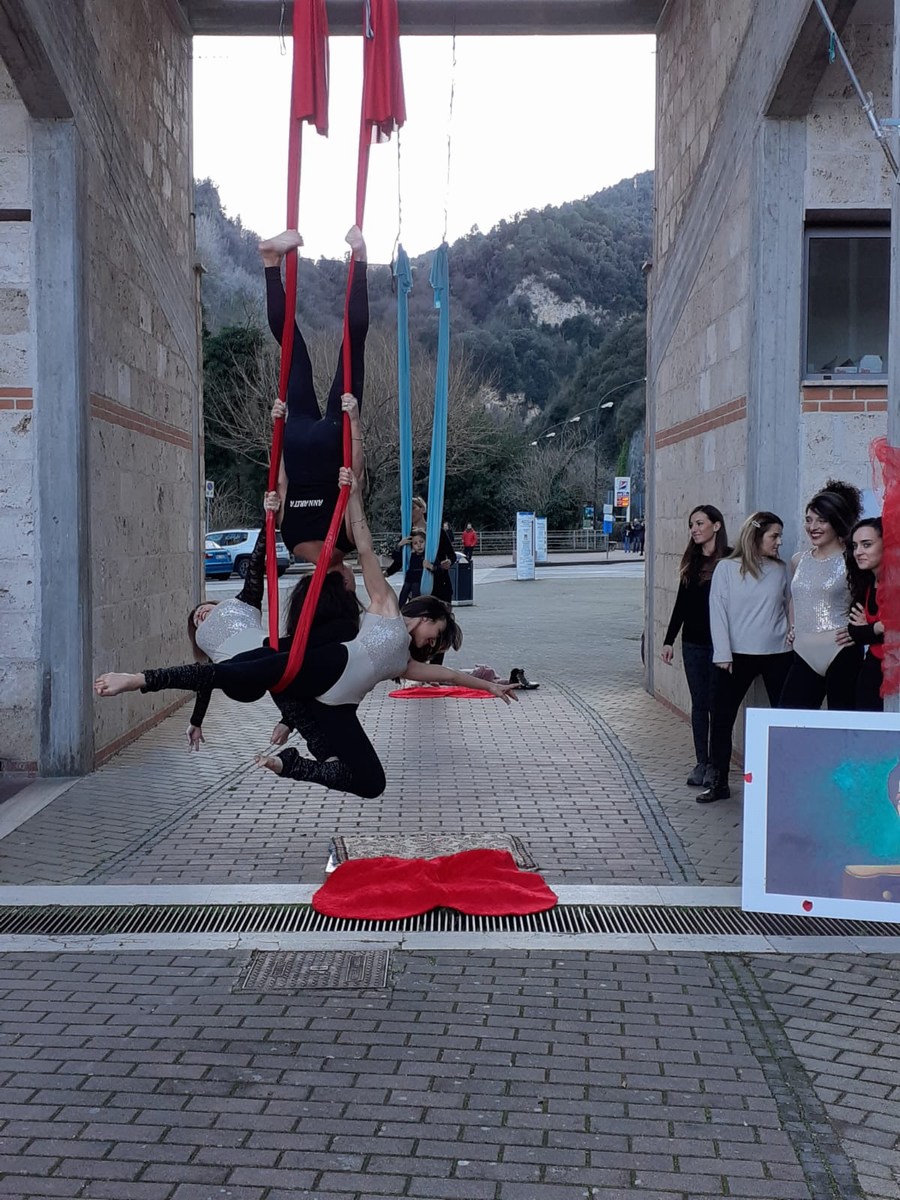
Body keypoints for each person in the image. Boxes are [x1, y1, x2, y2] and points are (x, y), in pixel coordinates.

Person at [94, 469, 518, 799]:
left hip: (334, 707)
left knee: (372, 782)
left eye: (437, 645)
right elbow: (366, 544)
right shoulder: (386, 606)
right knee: (235, 672)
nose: (432, 644)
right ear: (424, 613)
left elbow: (450, 678)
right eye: (436, 634)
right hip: (323, 665)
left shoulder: (404, 664)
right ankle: (139, 679)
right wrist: (351, 496)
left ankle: (294, 766)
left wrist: (489, 687)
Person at [260, 226, 368, 579]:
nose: (356, 577)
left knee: (353, 344)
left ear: (339, 580)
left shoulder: (348, 541)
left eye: (350, 583)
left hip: (333, 440)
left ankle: (360, 259)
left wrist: (354, 419)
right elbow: (280, 484)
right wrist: (279, 423)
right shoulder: (289, 538)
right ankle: (270, 262)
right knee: (293, 349)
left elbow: (356, 476)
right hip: (298, 441)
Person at [699, 511, 793, 803]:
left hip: (778, 654)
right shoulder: (727, 569)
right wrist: (722, 652)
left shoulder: (780, 570)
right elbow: (718, 612)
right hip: (734, 657)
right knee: (722, 720)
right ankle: (719, 782)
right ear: (755, 537)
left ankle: (787, 781)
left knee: (786, 717)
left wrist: (793, 630)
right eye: (774, 536)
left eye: (780, 536)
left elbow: (790, 604)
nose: (779, 542)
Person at [660, 505, 729, 788]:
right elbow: (681, 604)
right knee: (699, 705)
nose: (694, 529)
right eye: (691, 525)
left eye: (700, 523)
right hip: (693, 644)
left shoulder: (730, 559)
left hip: (722, 645)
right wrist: (668, 640)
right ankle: (702, 761)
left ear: (716, 525)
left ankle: (716, 765)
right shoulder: (691, 560)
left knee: (718, 705)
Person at [779, 480, 862, 711]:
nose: (813, 526)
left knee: (843, 726)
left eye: (821, 520)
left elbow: (871, 599)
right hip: (803, 652)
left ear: (836, 522)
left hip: (841, 651)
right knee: (790, 720)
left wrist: (861, 630)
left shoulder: (853, 560)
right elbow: (796, 596)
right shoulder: (798, 559)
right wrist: (793, 625)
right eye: (808, 519)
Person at [846, 517, 885, 711]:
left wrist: (868, 629)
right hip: (872, 670)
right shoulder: (865, 584)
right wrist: (877, 628)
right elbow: (854, 632)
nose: (858, 552)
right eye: (855, 546)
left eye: (866, 545)